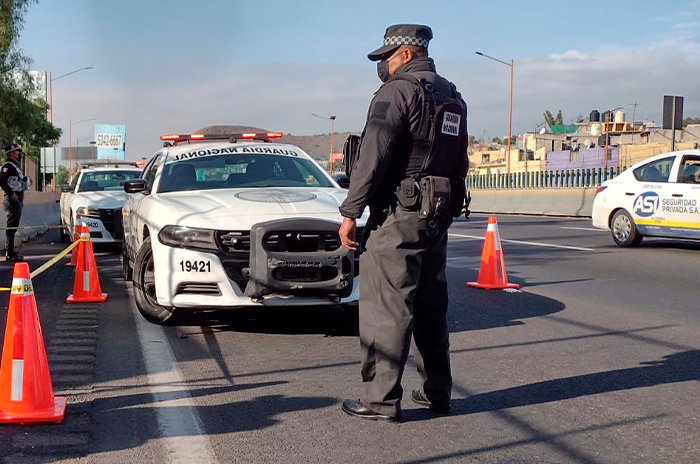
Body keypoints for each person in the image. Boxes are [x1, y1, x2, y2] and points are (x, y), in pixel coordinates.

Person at [338, 24, 469, 422]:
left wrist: (350, 211)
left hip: (399, 214)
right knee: (431, 306)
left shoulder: (398, 91)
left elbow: (372, 156)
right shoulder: (451, 95)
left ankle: (380, 400)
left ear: (407, 54)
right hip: (436, 214)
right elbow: (460, 157)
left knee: (387, 307)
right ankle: (437, 392)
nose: (383, 65)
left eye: (386, 58)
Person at [1, 144, 29, 261]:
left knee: (14, 226)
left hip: (17, 198)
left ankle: (11, 251)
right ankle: (9, 253)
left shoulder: (14, 167)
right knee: (11, 226)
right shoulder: (7, 166)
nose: (19, 154)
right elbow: (2, 181)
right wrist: (11, 194)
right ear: (11, 153)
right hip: (12, 199)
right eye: (17, 151)